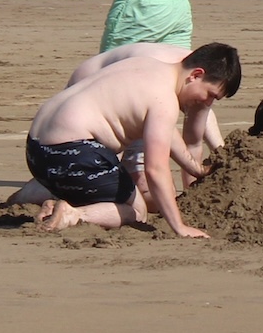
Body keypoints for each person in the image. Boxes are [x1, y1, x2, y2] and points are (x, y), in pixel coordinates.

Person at [17, 41, 242, 239]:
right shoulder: (164, 100)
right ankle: (74, 214)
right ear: (196, 75)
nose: (207, 104)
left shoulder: (147, 65)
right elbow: (156, 170)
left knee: (99, 184)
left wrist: (196, 169)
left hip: (36, 151)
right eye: (210, 95)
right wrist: (179, 226)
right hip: (71, 153)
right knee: (136, 211)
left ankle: (51, 202)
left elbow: (166, 132)